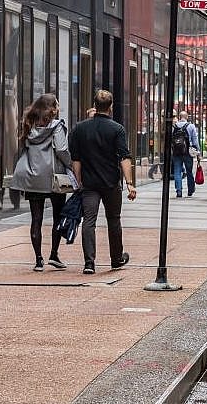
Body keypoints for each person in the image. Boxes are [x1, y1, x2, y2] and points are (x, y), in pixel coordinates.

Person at [69, 90, 134, 275]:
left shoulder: (80, 128)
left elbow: (76, 159)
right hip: (111, 183)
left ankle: (89, 263)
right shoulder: (117, 129)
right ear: (111, 106)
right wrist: (129, 183)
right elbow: (124, 157)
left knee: (89, 221)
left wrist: (79, 181)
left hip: (89, 183)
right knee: (114, 220)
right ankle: (116, 258)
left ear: (94, 105)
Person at [9, 93, 70, 272]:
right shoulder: (56, 126)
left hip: (32, 176)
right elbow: (62, 150)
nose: (58, 108)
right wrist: (71, 166)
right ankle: (54, 254)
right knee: (58, 215)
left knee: (36, 218)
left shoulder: (28, 125)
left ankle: (38, 260)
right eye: (56, 105)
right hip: (53, 177)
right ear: (52, 108)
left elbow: (22, 147)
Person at [170, 111, 200, 198]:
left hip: (176, 152)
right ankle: (190, 190)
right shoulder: (191, 126)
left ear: (179, 117)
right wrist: (198, 152)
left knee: (177, 171)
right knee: (189, 171)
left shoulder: (174, 126)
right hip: (188, 152)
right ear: (187, 117)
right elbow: (195, 140)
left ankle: (179, 191)